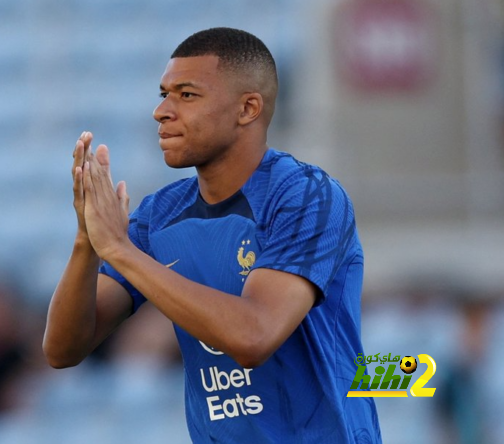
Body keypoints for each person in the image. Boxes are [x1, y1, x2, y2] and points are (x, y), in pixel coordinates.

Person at [43, 27, 382, 443]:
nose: (162, 111)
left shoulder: (307, 196)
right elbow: (62, 349)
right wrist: (87, 241)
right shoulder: (159, 215)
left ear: (247, 109)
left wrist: (120, 249)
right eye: (163, 93)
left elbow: (253, 336)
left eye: (186, 95)